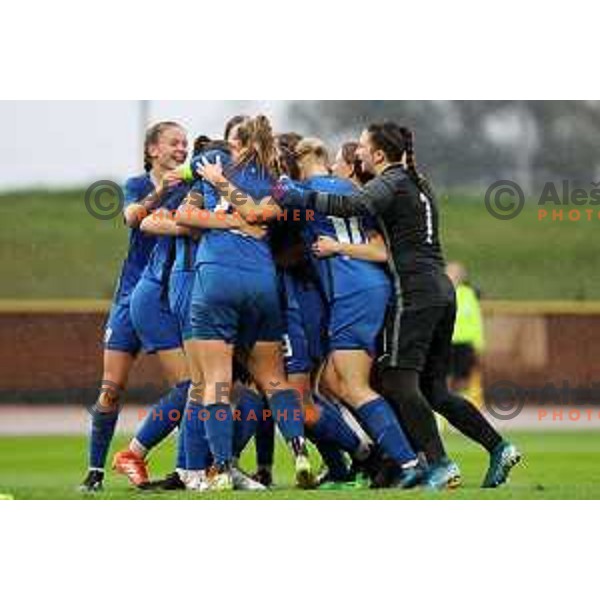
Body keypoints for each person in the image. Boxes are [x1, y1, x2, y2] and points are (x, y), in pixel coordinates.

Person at [279, 122, 522, 489]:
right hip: (441, 287)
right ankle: (498, 446)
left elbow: (354, 204)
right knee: (434, 389)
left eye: (360, 147)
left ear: (378, 154)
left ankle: (436, 463)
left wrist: (302, 196)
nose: (354, 153)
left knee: (396, 380)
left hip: (414, 291)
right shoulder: (418, 182)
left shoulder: (390, 181)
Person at [177, 115, 315, 491]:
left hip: (215, 276)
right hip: (261, 279)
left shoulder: (212, 165)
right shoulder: (279, 181)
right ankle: (300, 450)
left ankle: (220, 468)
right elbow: (258, 216)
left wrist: (220, 210)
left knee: (216, 381)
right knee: (273, 379)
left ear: (236, 143)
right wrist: (243, 224)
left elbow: (181, 212)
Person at [79, 121, 189, 493]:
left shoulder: (192, 188)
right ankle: (94, 472)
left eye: (185, 144)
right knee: (111, 388)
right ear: (152, 150)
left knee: (188, 388)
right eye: (174, 143)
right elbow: (131, 218)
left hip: (167, 295)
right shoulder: (138, 185)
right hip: (130, 297)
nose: (181, 149)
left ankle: (183, 468)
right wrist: (160, 192)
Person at [446, 261, 485, 407]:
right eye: (450, 273)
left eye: (456, 274)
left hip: (464, 344)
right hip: (446, 342)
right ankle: (442, 413)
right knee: (445, 378)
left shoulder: (468, 294)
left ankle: (461, 408)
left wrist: (479, 344)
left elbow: (476, 320)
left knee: (463, 380)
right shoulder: (441, 292)